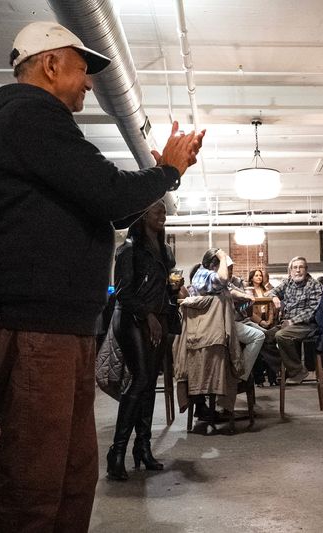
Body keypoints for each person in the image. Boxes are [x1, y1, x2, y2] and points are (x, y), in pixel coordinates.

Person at [0, 21, 204, 532]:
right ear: (51, 64)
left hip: (59, 321)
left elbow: (114, 208)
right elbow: (109, 193)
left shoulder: (30, 122)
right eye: (83, 69)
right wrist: (166, 171)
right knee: (35, 481)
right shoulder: (31, 114)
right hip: (38, 319)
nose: (90, 83)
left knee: (74, 471)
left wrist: (156, 180)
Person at [107, 200, 179, 481]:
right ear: (142, 216)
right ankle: (117, 452)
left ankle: (143, 448)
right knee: (140, 380)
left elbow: (163, 289)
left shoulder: (165, 250)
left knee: (149, 382)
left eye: (163, 211)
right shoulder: (128, 249)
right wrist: (148, 315)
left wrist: (173, 290)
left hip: (158, 319)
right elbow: (123, 293)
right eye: (156, 210)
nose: (162, 214)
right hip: (133, 319)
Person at [190, 249, 264, 382]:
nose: (228, 271)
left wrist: (245, 296)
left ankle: (236, 374)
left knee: (260, 332)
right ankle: (239, 377)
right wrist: (223, 257)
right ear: (213, 266)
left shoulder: (207, 275)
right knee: (258, 336)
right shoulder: (204, 275)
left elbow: (228, 289)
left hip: (216, 324)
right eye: (225, 266)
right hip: (213, 327)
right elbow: (223, 280)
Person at [264, 257, 323, 383]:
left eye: (301, 267)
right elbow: (271, 291)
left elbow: (313, 310)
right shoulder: (288, 282)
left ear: (306, 269)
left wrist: (292, 321)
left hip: (307, 325)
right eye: (294, 267)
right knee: (262, 338)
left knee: (281, 335)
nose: (298, 270)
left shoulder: (314, 285)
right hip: (287, 324)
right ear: (290, 270)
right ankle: (290, 367)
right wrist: (274, 296)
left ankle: (296, 371)